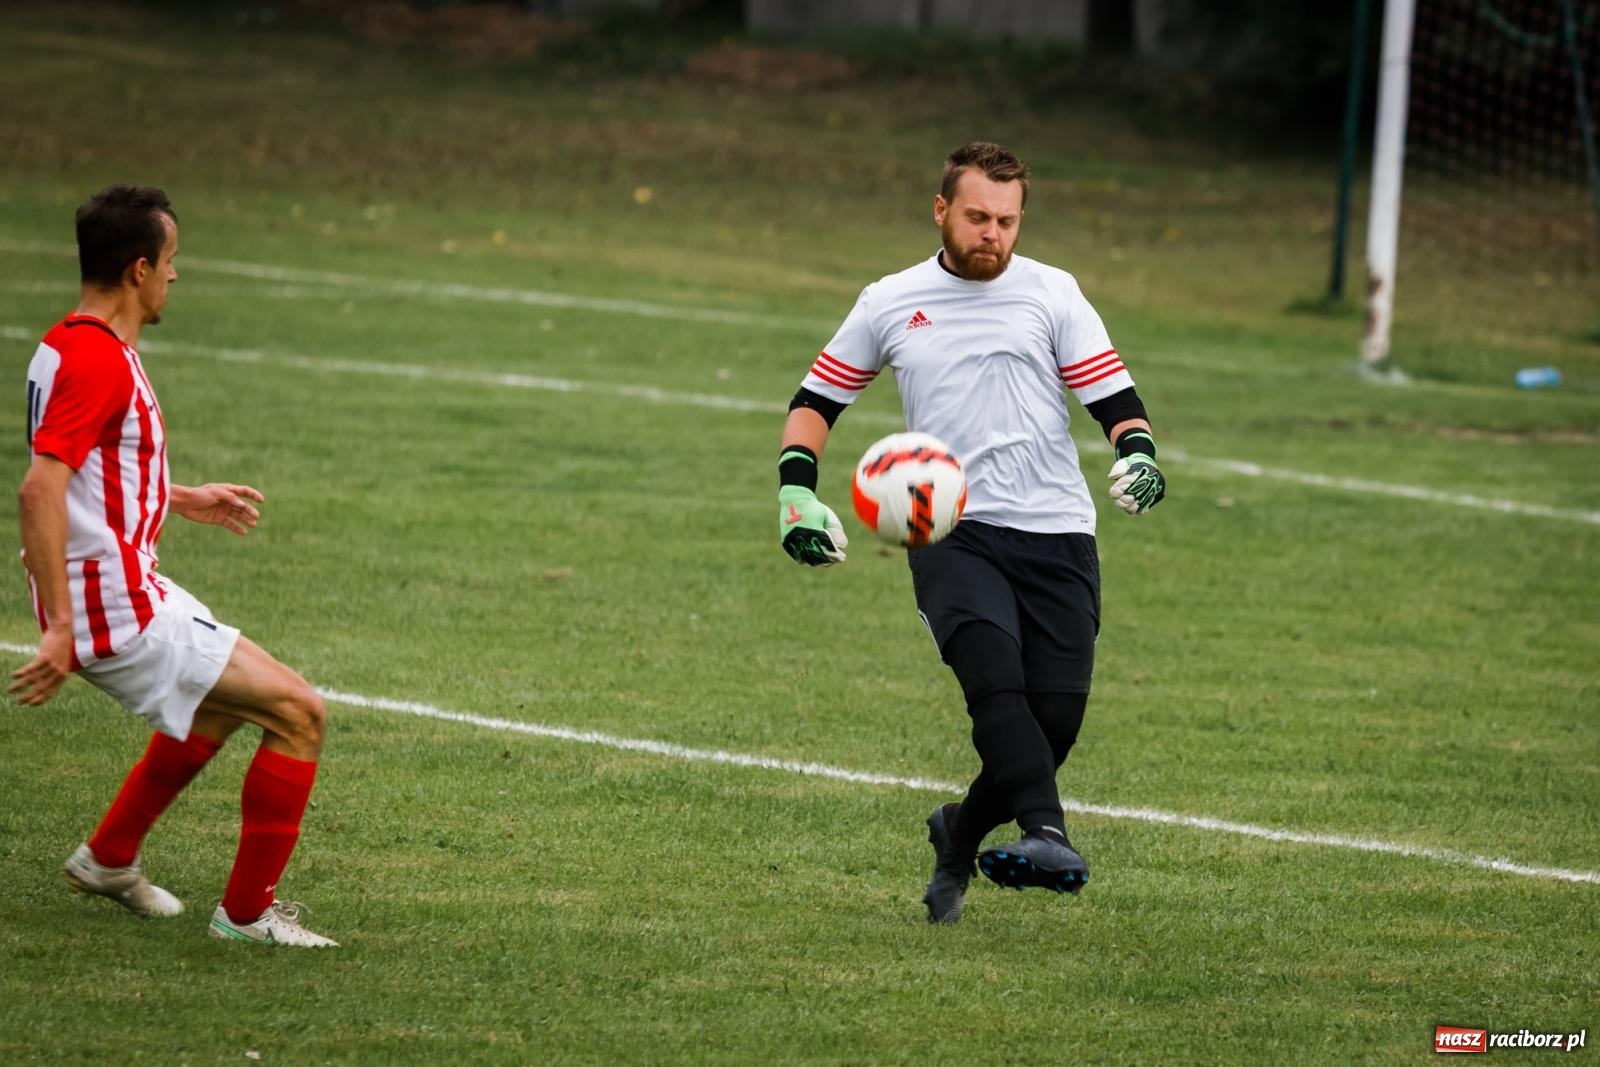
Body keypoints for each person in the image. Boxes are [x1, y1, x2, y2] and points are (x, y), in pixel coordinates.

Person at [776, 142, 1166, 924]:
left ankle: (958, 833)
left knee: (1052, 723)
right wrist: (795, 493)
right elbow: (818, 399)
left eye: (1008, 221)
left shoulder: (1053, 293)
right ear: (941, 211)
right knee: (993, 681)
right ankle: (1047, 833)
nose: (993, 233)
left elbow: (1113, 396)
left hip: (1057, 529)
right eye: (979, 216)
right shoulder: (890, 299)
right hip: (950, 526)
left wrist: (1140, 452)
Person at [11, 185, 337, 947]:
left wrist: (180, 496)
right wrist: (61, 626)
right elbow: (40, 487)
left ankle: (109, 857)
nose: (174, 276)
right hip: (111, 607)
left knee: (218, 704)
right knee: (300, 712)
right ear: (137, 269)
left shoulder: (69, 340)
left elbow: (92, 468)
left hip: (120, 589)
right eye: (171, 260)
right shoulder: (97, 358)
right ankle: (250, 915)